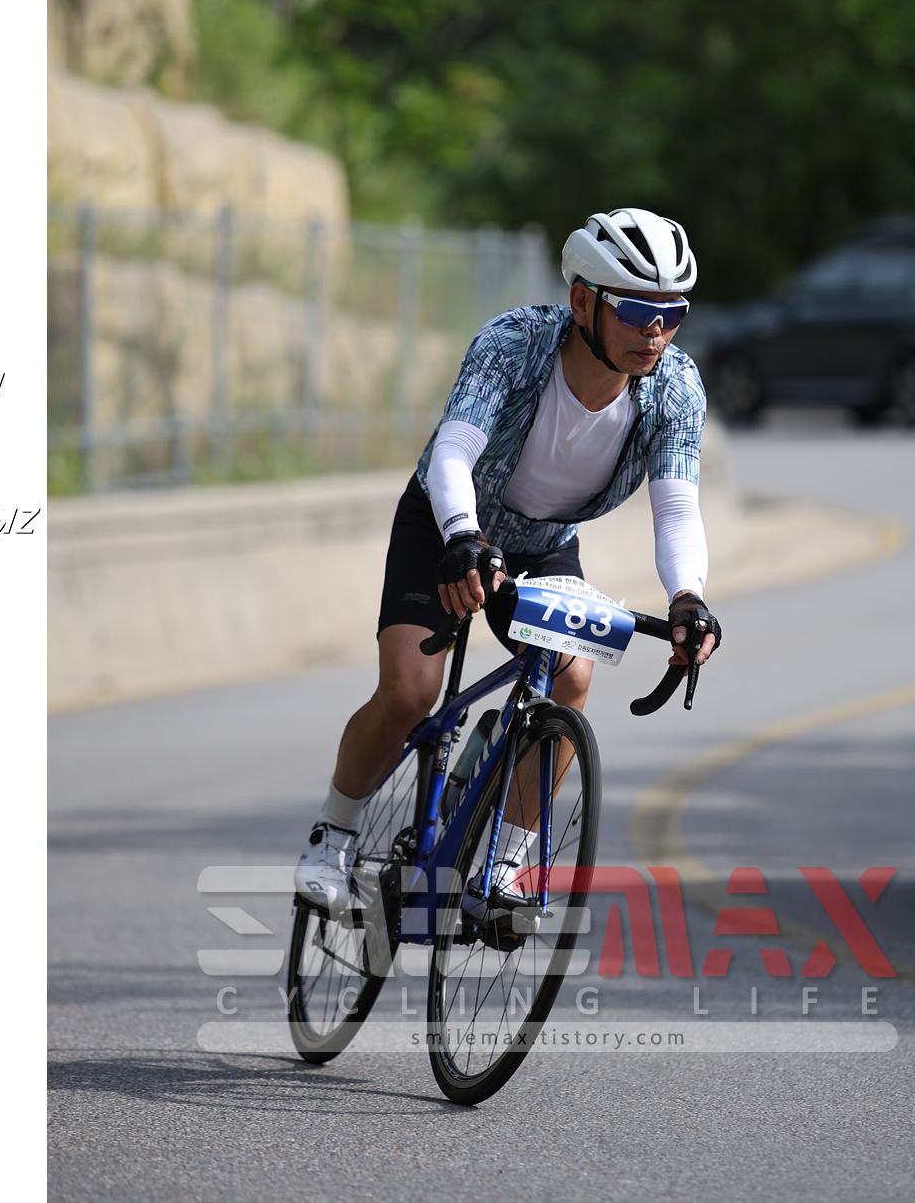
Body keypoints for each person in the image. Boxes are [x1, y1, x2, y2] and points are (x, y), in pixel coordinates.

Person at [295, 208, 723, 915]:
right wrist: (461, 536)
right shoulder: (515, 343)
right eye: (636, 310)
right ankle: (333, 833)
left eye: (672, 313)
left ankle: (506, 867)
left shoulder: (674, 386)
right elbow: (453, 452)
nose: (656, 331)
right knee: (411, 691)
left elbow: (676, 509)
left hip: (544, 542)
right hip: (448, 522)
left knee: (571, 677)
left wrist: (687, 598)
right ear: (582, 300)